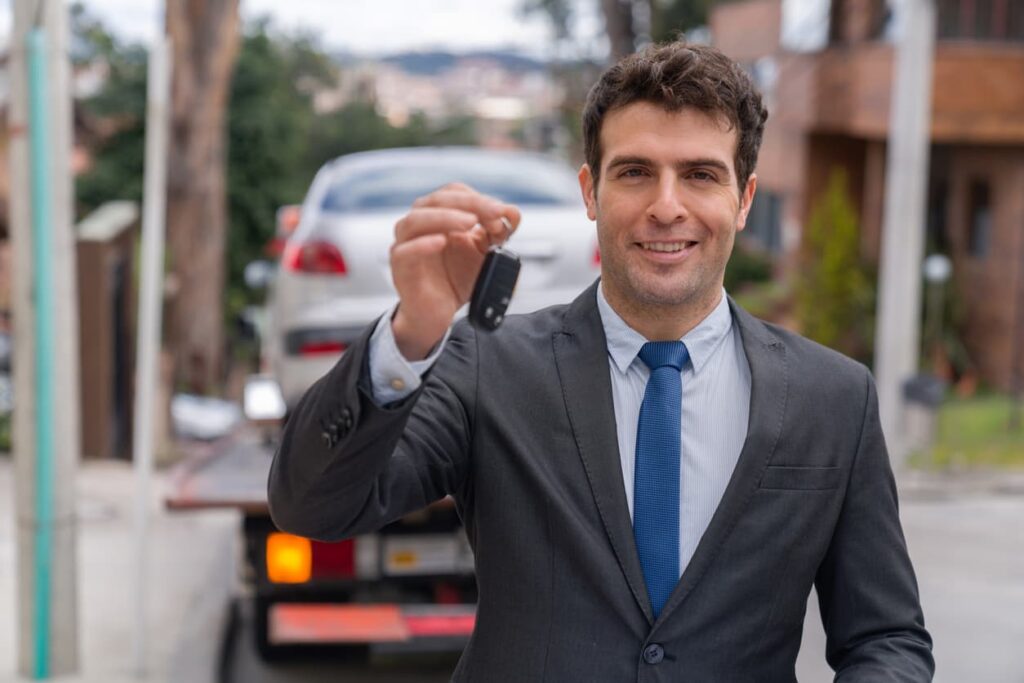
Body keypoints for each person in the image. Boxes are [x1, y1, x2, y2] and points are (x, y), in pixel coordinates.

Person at [268, 42, 934, 681]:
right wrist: (412, 331)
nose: (666, 206)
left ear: (744, 199)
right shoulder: (485, 365)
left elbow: (885, 637)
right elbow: (312, 508)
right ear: (591, 191)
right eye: (635, 172)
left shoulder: (835, 397)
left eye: (700, 174)